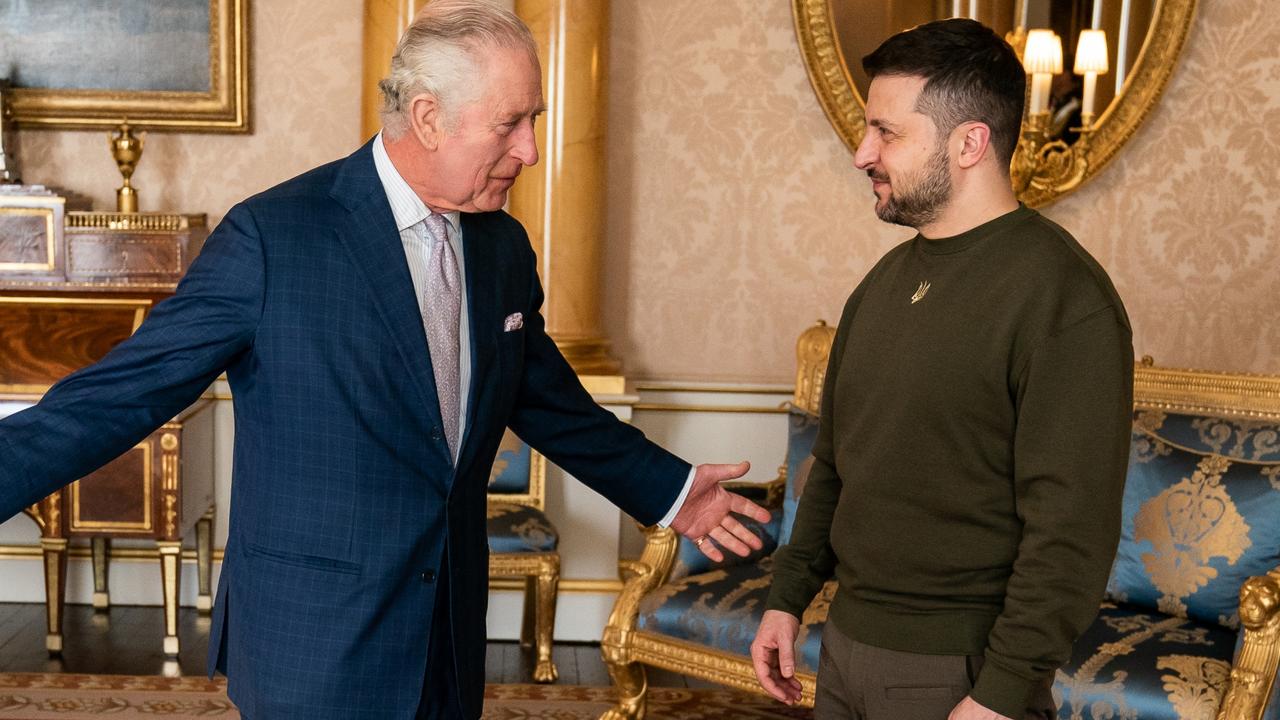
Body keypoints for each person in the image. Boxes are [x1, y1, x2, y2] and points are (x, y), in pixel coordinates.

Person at [0, 2, 770, 718]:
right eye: (511, 124)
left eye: (533, 121)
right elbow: (118, 396)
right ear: (428, 118)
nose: (532, 150)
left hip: (446, 631)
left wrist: (671, 491)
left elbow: (543, 398)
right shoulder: (274, 239)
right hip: (316, 640)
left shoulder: (500, 244)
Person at [750, 19, 1133, 720]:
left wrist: (1000, 693)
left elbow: (1070, 531)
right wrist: (786, 599)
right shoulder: (882, 283)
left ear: (969, 142)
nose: (862, 151)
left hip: (961, 672)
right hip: (844, 650)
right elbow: (837, 462)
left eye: (886, 132)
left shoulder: (1063, 297)